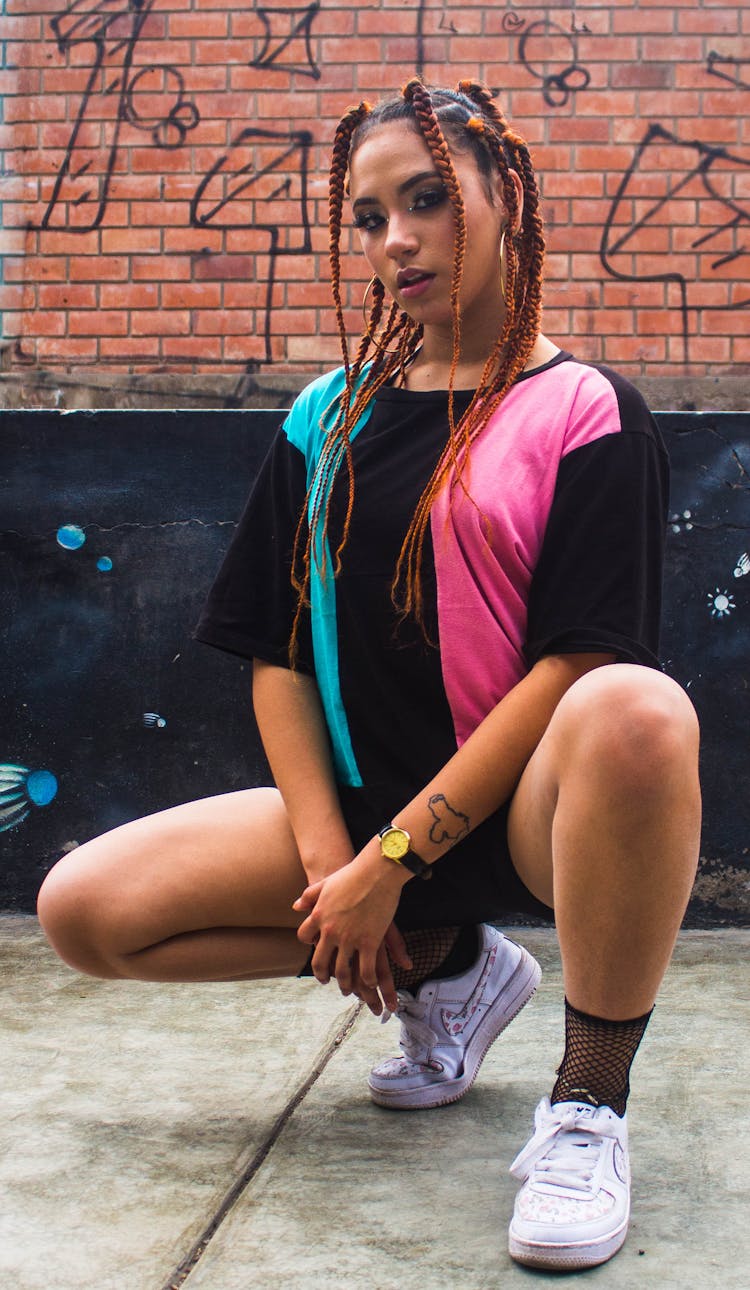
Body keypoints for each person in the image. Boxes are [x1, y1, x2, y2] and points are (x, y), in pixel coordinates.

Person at [36, 79, 701, 1271]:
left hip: (529, 817)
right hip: (361, 808)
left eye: (429, 200)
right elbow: (277, 656)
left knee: (638, 709)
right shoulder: (324, 420)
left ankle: (589, 1106)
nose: (395, 239)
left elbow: (578, 665)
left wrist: (400, 858)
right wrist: (333, 870)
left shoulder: (590, 413)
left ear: (508, 200)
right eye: (366, 215)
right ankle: (450, 970)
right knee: (84, 915)